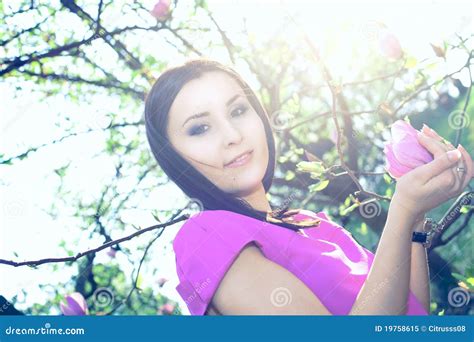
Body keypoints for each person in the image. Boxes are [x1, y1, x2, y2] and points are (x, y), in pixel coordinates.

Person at [144, 59, 473, 315]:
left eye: (238, 110)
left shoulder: (312, 223)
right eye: (200, 128)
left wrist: (414, 219)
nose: (232, 135)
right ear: (174, 157)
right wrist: (401, 210)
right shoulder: (204, 237)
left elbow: (410, 317)